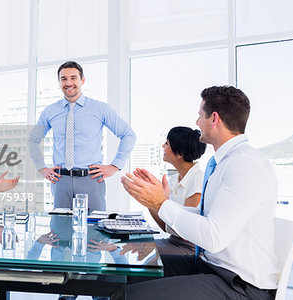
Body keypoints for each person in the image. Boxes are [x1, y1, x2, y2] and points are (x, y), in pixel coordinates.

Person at [119, 86, 279, 299]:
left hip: (240, 285)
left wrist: (161, 203)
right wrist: (158, 200)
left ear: (214, 119)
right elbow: (204, 217)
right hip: (210, 267)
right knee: (125, 271)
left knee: (132, 296)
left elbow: (213, 237)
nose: (196, 123)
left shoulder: (244, 165)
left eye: (199, 115)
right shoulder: (224, 162)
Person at [29, 61, 136, 210]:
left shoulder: (100, 109)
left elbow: (128, 134)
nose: (68, 83)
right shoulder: (50, 111)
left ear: (82, 80)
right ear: (59, 82)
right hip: (61, 181)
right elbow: (33, 140)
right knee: (61, 229)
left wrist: (115, 165)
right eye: (64, 79)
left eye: (73, 78)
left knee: (94, 230)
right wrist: (42, 168)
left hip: (91, 179)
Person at [151, 126, 206, 255]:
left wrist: (158, 202)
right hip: (173, 242)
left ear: (179, 153)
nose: (163, 146)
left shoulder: (197, 180)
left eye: (167, 143)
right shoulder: (174, 180)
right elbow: (165, 226)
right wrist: (148, 201)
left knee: (143, 253)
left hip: (190, 248)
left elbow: (186, 233)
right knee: (135, 247)